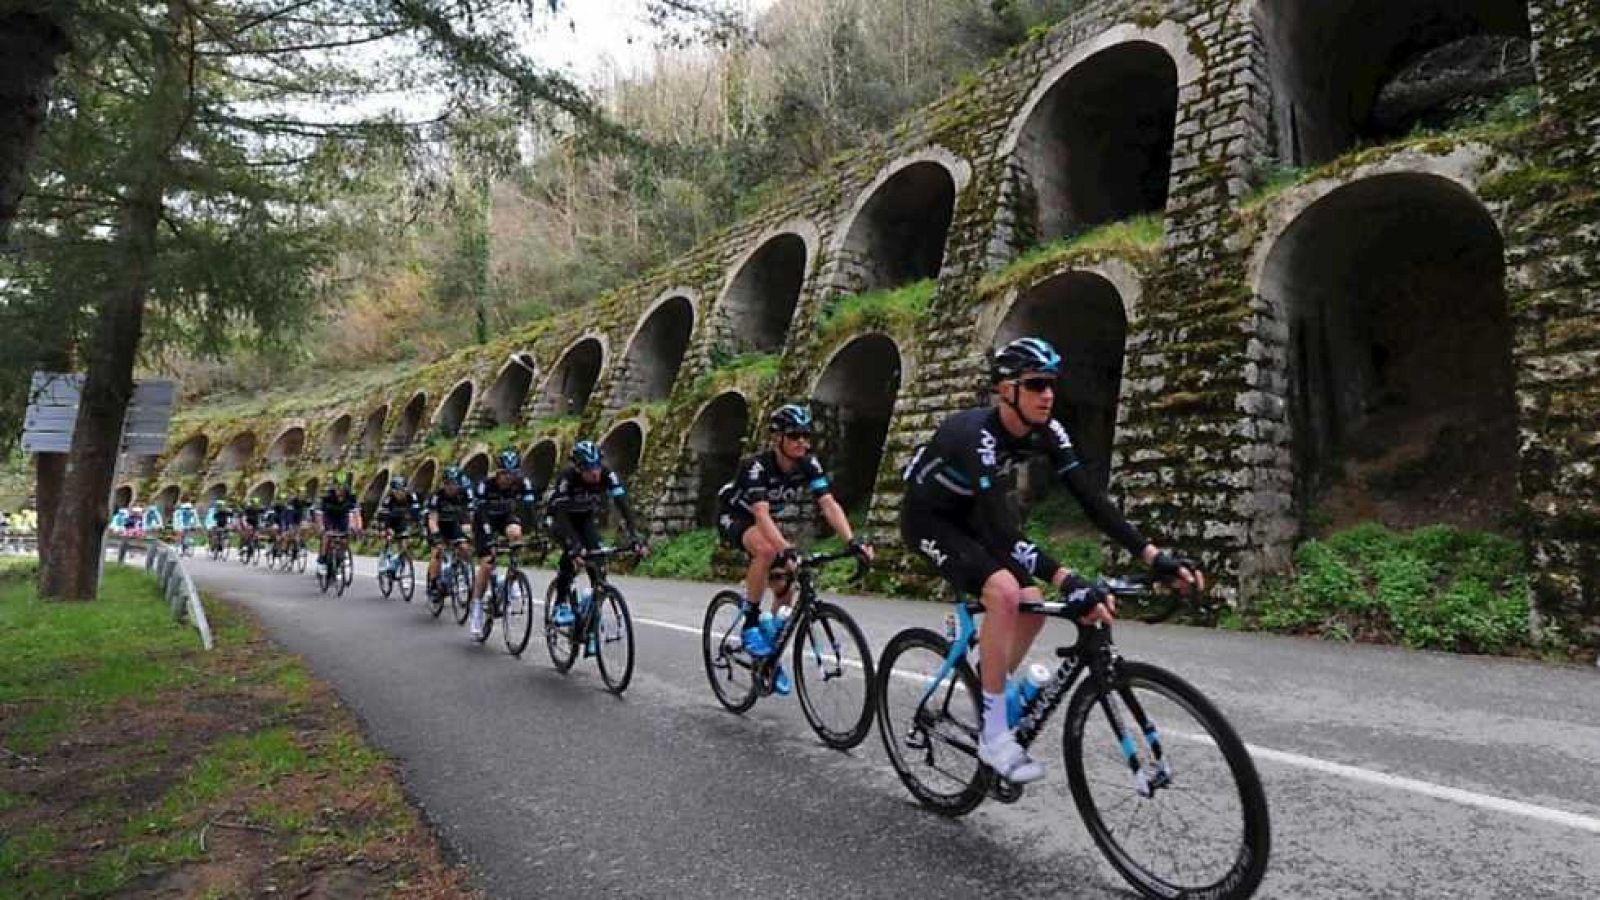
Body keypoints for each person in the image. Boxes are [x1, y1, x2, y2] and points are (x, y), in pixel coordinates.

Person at [900, 337, 1203, 784]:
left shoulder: (1049, 431)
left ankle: (990, 685)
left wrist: (1153, 556)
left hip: (973, 516)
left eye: (1051, 385)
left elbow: (1092, 501)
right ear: (1007, 390)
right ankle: (994, 735)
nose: (1048, 395)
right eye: (1036, 384)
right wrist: (1067, 577)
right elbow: (1001, 530)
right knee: (1004, 593)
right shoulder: (976, 436)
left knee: (1033, 606)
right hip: (930, 519)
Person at [715, 403, 872, 694]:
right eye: (794, 435)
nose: (802, 441)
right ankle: (750, 623)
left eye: (806, 435)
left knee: (789, 579)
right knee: (767, 550)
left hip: (763, 520)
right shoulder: (756, 467)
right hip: (735, 515)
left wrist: (853, 541)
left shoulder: (809, 465)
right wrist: (786, 548)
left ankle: (769, 657)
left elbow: (828, 504)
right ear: (778, 438)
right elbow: (761, 515)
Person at [545, 441, 649, 630]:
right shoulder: (567, 478)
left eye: (597, 467)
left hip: (584, 518)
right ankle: (560, 604)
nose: (595, 473)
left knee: (598, 560)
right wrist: (574, 546)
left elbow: (624, 505)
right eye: (588, 468)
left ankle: (594, 606)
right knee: (573, 556)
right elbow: (561, 516)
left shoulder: (607, 475)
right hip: (560, 520)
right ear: (578, 468)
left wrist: (635, 536)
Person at [468, 449, 540, 639]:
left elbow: (530, 510)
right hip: (484, 520)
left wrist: (537, 532)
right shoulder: (485, 486)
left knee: (516, 533)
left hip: (505, 517)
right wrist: (489, 538)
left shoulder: (521, 483)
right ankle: (476, 607)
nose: (509, 478)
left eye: (512, 474)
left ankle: (512, 576)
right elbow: (481, 513)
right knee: (487, 562)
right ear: (497, 473)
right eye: (505, 474)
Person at [425, 466, 474, 597]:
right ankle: (433, 583)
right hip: (437, 525)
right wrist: (436, 536)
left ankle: (457, 569)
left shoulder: (465, 494)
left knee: (464, 547)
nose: (451, 487)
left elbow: (470, 515)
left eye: (454, 484)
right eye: (448, 484)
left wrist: (471, 532)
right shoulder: (437, 496)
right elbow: (432, 519)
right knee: (438, 550)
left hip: (453, 523)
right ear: (444, 484)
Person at [374, 476, 422, 574]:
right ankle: (385, 558)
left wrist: (417, 525)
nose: (400, 494)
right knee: (388, 537)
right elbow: (382, 516)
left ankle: (398, 563)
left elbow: (416, 511)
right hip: (390, 521)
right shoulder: (388, 499)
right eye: (397, 491)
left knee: (404, 544)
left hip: (403, 521)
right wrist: (384, 529)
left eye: (402, 491)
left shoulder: (411, 496)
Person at [317, 475, 362, 577]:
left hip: (342, 517)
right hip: (329, 517)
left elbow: (356, 513)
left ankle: (340, 558)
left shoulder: (351, 497)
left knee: (345, 537)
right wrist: (321, 527)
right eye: (337, 487)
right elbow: (320, 514)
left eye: (342, 488)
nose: (339, 491)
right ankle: (322, 560)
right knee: (327, 536)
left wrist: (358, 527)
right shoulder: (327, 496)